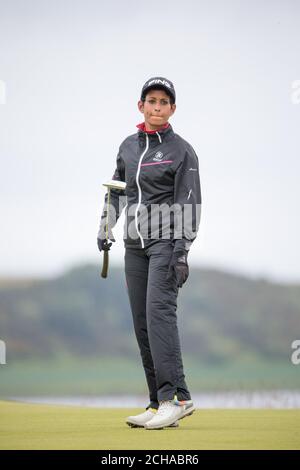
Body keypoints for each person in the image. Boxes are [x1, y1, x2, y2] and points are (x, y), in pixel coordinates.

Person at [97, 77, 202, 430]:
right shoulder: (127, 146)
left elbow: (190, 201)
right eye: (151, 101)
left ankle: (173, 399)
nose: (157, 108)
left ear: (173, 109)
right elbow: (116, 192)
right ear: (140, 105)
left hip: (166, 244)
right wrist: (104, 226)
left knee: (159, 317)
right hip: (133, 246)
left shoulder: (182, 150)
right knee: (142, 324)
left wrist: (182, 251)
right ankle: (163, 402)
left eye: (164, 102)